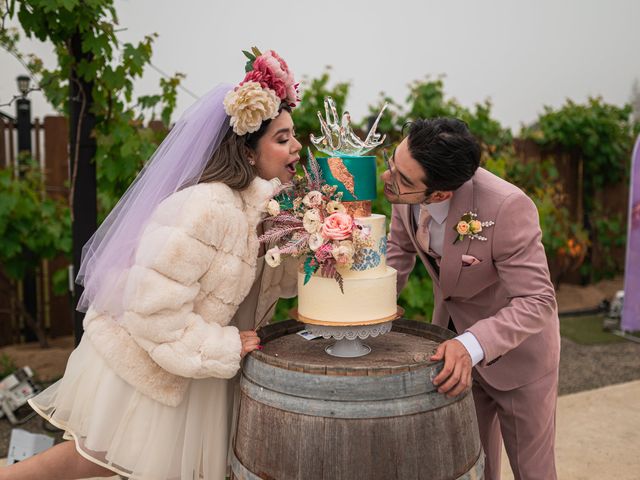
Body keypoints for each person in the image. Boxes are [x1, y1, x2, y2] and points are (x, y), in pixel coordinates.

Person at [0, 48, 301, 480]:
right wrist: (227, 346)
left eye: (294, 134)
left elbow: (281, 286)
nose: (296, 146)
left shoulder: (268, 211)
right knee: (80, 463)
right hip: (150, 365)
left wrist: (320, 235)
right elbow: (152, 310)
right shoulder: (205, 207)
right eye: (282, 137)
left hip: (202, 369)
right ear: (248, 151)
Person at [383, 118, 560, 480]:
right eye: (391, 163)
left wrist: (472, 344)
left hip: (518, 359)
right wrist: (373, 307)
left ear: (440, 194)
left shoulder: (507, 206)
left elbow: (537, 299)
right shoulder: (405, 195)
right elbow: (399, 251)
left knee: (533, 471)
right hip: (452, 353)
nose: (388, 179)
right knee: (471, 467)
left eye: (401, 179)